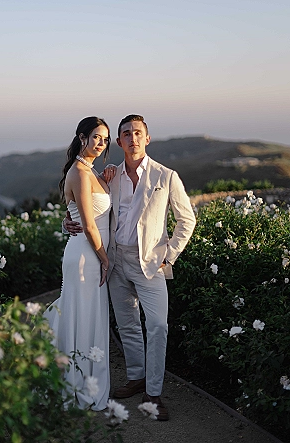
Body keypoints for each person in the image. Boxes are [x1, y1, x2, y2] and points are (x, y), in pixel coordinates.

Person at [65, 114, 196, 421]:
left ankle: (154, 393)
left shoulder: (167, 176)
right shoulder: (109, 176)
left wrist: (170, 255)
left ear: (146, 139)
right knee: (127, 325)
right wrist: (66, 222)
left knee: (158, 326)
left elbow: (186, 220)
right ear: (120, 141)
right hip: (114, 260)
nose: (132, 138)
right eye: (126, 134)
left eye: (138, 133)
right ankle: (136, 377)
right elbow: (89, 211)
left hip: (150, 263)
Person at [44, 116, 112, 411]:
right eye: (97, 137)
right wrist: (105, 259)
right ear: (82, 137)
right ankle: (74, 384)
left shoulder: (91, 172)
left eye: (106, 139)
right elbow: (89, 225)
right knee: (80, 319)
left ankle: (85, 379)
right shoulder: (81, 173)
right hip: (87, 256)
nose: (102, 143)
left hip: (89, 253)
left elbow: (81, 214)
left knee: (88, 318)